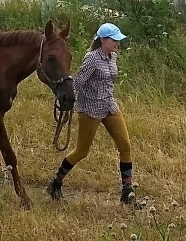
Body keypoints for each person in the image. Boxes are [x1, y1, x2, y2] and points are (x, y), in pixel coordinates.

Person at [47, 23, 135, 205]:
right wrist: (69, 103)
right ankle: (56, 182)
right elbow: (78, 82)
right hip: (90, 110)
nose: (118, 43)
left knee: (125, 146)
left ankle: (127, 193)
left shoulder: (113, 56)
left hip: (109, 106)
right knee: (81, 151)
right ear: (103, 40)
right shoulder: (91, 59)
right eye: (114, 40)